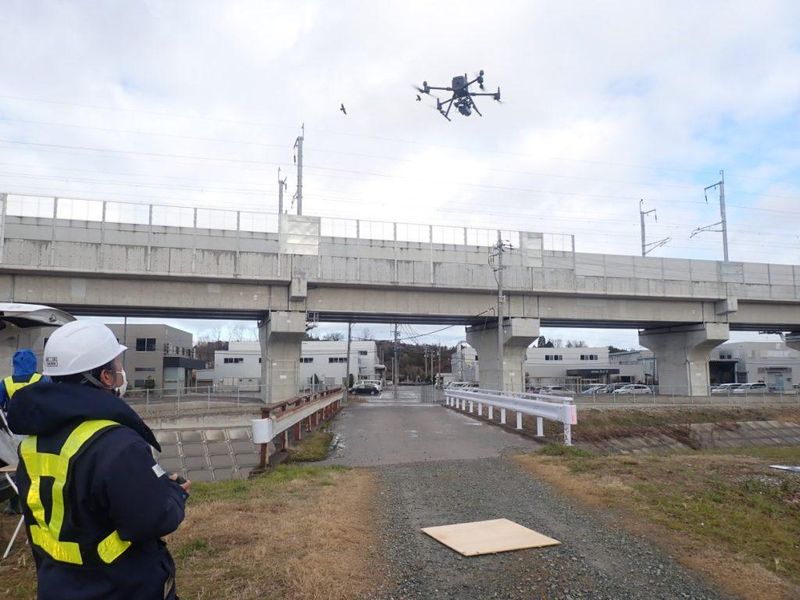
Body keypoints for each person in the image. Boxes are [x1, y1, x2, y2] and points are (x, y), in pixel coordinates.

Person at [7, 321, 190, 600]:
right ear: (105, 377)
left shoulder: (31, 445)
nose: (121, 372)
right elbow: (150, 520)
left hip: (58, 587)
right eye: (116, 365)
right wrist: (174, 494)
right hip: (121, 587)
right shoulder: (118, 444)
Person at [0, 349, 49, 514]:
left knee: (15, 465)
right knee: (35, 467)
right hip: (37, 430)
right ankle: (33, 501)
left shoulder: (5, 383)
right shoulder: (42, 380)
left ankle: (13, 503)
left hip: (13, 432)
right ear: (33, 363)